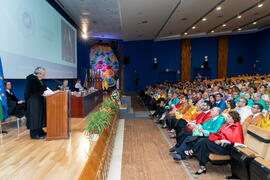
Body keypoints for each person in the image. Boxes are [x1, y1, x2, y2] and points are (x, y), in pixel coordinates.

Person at [25, 67, 47, 140]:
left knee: (39, 115)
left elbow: (44, 88)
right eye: (43, 74)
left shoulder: (38, 79)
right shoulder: (31, 78)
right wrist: (45, 92)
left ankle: (39, 130)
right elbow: (33, 90)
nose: (44, 76)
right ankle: (34, 134)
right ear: (38, 73)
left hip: (39, 100)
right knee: (35, 117)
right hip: (33, 101)